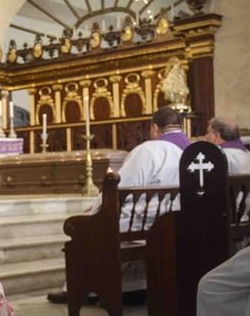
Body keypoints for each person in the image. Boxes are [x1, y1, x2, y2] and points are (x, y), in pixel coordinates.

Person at [48, 106, 190, 303]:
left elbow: (119, 188)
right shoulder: (193, 150)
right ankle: (135, 287)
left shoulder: (149, 150)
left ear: (155, 128)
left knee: (86, 229)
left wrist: (95, 208)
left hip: (141, 223)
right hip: (173, 221)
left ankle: (80, 290)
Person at [196, 119, 250, 316]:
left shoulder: (220, 156)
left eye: (208, 133)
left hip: (225, 221)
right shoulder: (245, 155)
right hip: (241, 225)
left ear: (216, 135)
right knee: (212, 285)